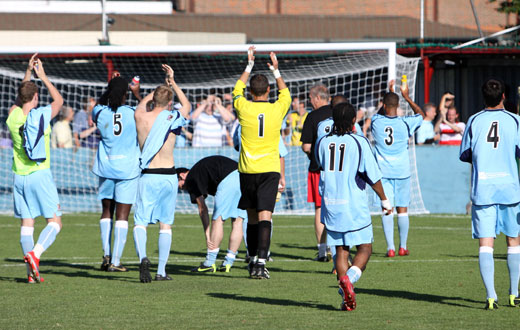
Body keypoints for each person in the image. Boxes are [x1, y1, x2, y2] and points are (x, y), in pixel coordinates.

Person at [317, 102, 391, 311]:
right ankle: (348, 280)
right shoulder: (359, 141)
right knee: (365, 248)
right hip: (353, 205)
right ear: (352, 121)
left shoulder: (322, 142)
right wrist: (384, 200)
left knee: (341, 252)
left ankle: (345, 299)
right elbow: (371, 174)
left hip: (331, 204)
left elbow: (320, 164)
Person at [459, 78, 520, 309]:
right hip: (510, 189)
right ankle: (514, 294)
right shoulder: (515, 121)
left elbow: (465, 154)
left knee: (486, 244)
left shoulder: (474, 120)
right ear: (503, 96)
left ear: (483, 97)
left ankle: (491, 296)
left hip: (483, 189)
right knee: (514, 241)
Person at [232, 46, 291, 279]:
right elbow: (285, 94)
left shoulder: (243, 107)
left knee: (253, 217)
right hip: (269, 170)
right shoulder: (277, 109)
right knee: (265, 216)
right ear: (268, 90)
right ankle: (260, 263)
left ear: (251, 92)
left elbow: (237, 89)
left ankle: (252, 258)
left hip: (247, 170)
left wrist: (248, 65)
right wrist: (276, 71)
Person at [6, 53, 63, 283]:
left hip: (19, 177)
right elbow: (58, 101)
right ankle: (35, 255)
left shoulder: (12, 117)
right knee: (55, 223)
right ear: (36, 96)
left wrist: (28, 73)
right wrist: (44, 77)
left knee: (27, 225)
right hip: (40, 174)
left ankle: (30, 275)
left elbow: (20, 100)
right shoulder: (41, 114)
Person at [133, 64, 191, 283]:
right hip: (168, 176)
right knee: (165, 224)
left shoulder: (141, 117)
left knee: (140, 222)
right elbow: (186, 104)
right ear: (169, 103)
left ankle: (143, 258)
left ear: (152, 100)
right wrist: (171, 82)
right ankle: (161, 271)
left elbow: (140, 107)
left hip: (148, 175)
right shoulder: (172, 117)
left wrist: (158, 88)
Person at [91, 75, 141, 272]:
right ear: (126, 95)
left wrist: (111, 86)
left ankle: (106, 255)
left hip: (106, 168)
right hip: (127, 170)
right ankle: (116, 262)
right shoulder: (132, 112)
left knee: (106, 212)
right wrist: (137, 94)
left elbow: (98, 105)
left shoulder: (100, 112)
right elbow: (151, 111)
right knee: (122, 216)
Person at [370, 80, 424, 258]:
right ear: (398, 105)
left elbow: (379, 113)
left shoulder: (376, 122)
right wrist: (407, 97)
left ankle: (390, 248)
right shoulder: (405, 123)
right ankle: (403, 246)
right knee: (402, 209)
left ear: (384, 105)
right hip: (402, 172)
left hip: (383, 173)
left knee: (387, 209)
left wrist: (389, 92)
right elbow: (421, 115)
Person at [176, 155, 246, 273]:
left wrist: (207, 234)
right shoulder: (200, 172)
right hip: (242, 176)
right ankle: (228, 263)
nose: (182, 188)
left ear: (182, 175)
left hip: (228, 178)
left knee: (218, 220)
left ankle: (209, 262)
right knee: (238, 221)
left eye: (180, 185)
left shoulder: (191, 178)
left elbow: (202, 209)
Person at [300, 83, 331, 262]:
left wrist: (315, 154)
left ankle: (322, 251)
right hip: (338, 169)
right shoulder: (338, 112)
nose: (310, 102)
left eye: (311, 99)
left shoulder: (312, 117)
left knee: (319, 209)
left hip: (318, 170)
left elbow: (306, 146)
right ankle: (339, 248)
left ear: (318, 98)